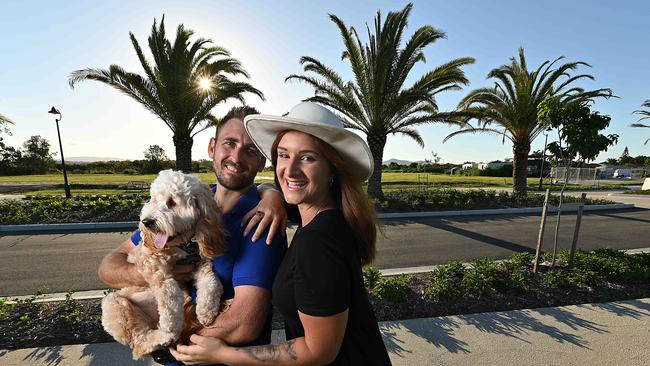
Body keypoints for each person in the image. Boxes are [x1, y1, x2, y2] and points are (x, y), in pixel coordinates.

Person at [170, 102, 392, 365]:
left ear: (332, 168)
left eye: (308, 157)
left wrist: (223, 354)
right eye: (284, 155)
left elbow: (317, 350)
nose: (290, 169)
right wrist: (270, 192)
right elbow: (275, 189)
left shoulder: (319, 241)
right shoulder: (319, 216)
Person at [98, 106, 288, 365]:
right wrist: (146, 273)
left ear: (262, 161)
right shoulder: (185, 202)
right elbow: (110, 266)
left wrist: (170, 343)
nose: (236, 157)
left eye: (251, 150)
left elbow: (245, 322)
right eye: (229, 143)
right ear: (212, 147)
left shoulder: (260, 221)